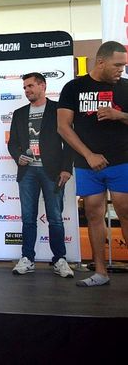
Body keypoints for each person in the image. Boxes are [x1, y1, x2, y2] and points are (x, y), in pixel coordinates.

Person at [58, 40, 128, 287]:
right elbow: (63, 127)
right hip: (87, 164)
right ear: (101, 62)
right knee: (93, 213)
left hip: (122, 160)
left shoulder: (126, 87)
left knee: (125, 212)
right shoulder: (74, 87)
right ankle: (100, 272)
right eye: (117, 65)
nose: (121, 70)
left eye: (123, 65)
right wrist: (88, 155)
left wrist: (120, 115)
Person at [8, 72, 74, 277]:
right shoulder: (19, 113)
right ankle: (27, 258)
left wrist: (66, 168)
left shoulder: (58, 110)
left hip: (52, 171)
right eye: (24, 87)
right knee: (28, 218)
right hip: (27, 173)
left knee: (55, 218)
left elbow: (70, 141)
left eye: (30, 86)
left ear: (43, 86)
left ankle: (59, 259)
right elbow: (12, 143)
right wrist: (18, 156)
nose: (27, 90)